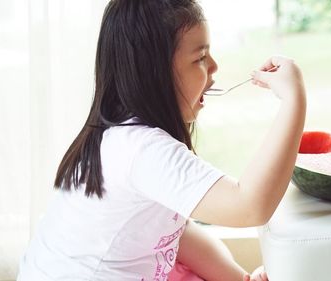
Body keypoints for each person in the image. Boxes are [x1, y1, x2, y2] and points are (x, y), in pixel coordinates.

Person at [17, 0, 306, 280]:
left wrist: (239, 278)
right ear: (154, 73)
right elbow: (250, 206)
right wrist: (294, 100)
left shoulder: (118, 135)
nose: (214, 66)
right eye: (200, 58)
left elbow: (174, 232)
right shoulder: (142, 150)